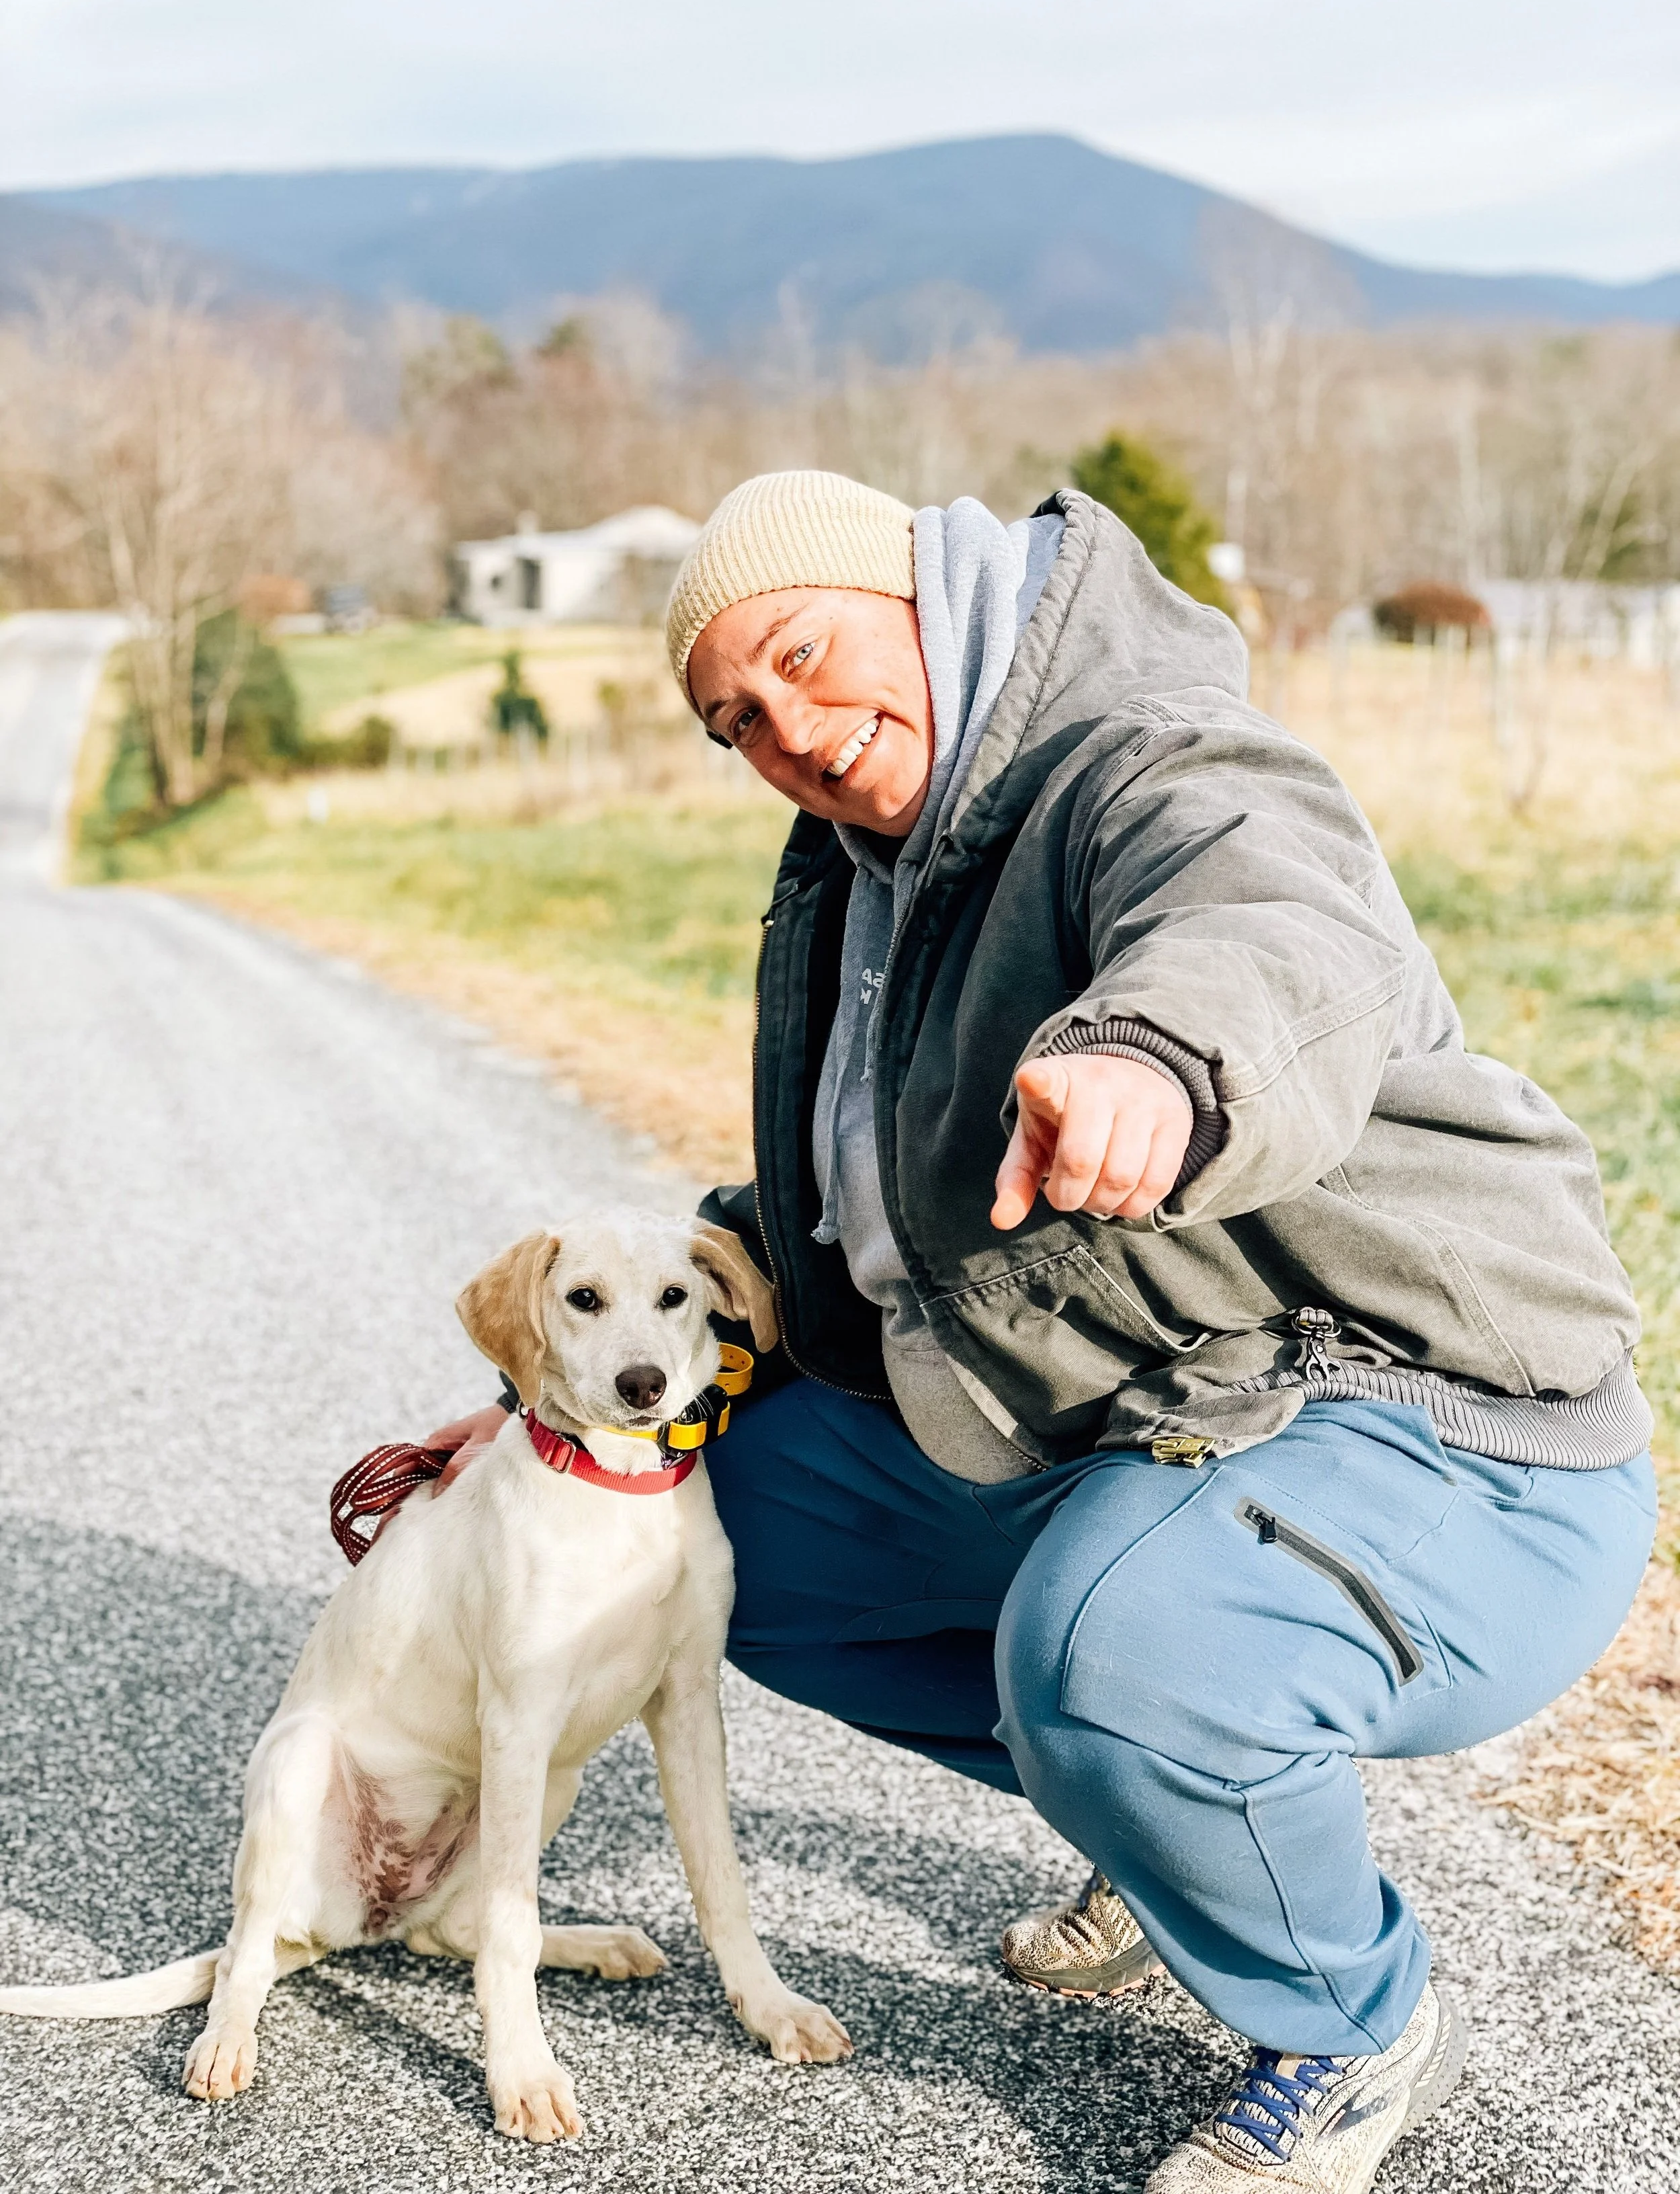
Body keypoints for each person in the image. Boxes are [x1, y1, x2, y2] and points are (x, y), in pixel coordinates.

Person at [427, 471, 1655, 2191]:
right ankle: (1167, 1824)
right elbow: (839, 1216)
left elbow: (1271, 931)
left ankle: (1342, 2018)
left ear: (922, 586)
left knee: (1111, 1657)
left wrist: (1159, 1058)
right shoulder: (867, 872)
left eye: (799, 657)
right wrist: (550, 1420)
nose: (785, 729)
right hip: (1153, 1418)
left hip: (1439, 1426)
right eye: (736, 723)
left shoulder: (1147, 754)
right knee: (719, 1532)